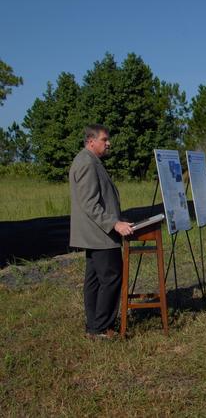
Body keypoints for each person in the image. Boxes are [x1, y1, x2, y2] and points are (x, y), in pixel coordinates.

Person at [69, 124, 133, 340]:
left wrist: (118, 219)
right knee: (111, 277)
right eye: (104, 140)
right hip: (99, 235)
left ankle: (94, 326)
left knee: (95, 280)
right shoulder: (87, 163)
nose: (108, 143)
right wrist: (114, 224)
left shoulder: (88, 160)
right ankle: (102, 328)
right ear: (91, 141)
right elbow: (90, 203)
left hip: (95, 233)